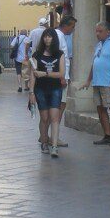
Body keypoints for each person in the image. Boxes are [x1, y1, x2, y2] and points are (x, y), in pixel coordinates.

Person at [28, 27, 66, 158]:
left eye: (49, 36)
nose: (47, 39)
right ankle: (44, 141)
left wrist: (44, 73)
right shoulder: (37, 55)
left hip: (55, 88)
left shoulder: (60, 54)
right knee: (44, 118)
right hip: (40, 89)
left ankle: (54, 146)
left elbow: (61, 73)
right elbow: (33, 74)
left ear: (54, 38)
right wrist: (31, 92)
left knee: (54, 118)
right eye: (45, 36)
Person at [83, 20, 110, 146]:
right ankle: (107, 135)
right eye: (96, 31)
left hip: (108, 82)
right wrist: (88, 80)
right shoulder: (99, 45)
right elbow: (94, 63)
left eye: (100, 31)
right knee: (100, 108)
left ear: (108, 32)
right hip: (97, 82)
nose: (97, 34)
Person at [55, 14, 77, 145]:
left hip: (62, 75)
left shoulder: (58, 35)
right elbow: (59, 57)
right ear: (66, 26)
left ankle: (47, 135)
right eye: (72, 27)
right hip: (61, 76)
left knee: (58, 106)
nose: (73, 30)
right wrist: (63, 77)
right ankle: (54, 137)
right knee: (60, 106)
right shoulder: (59, 36)